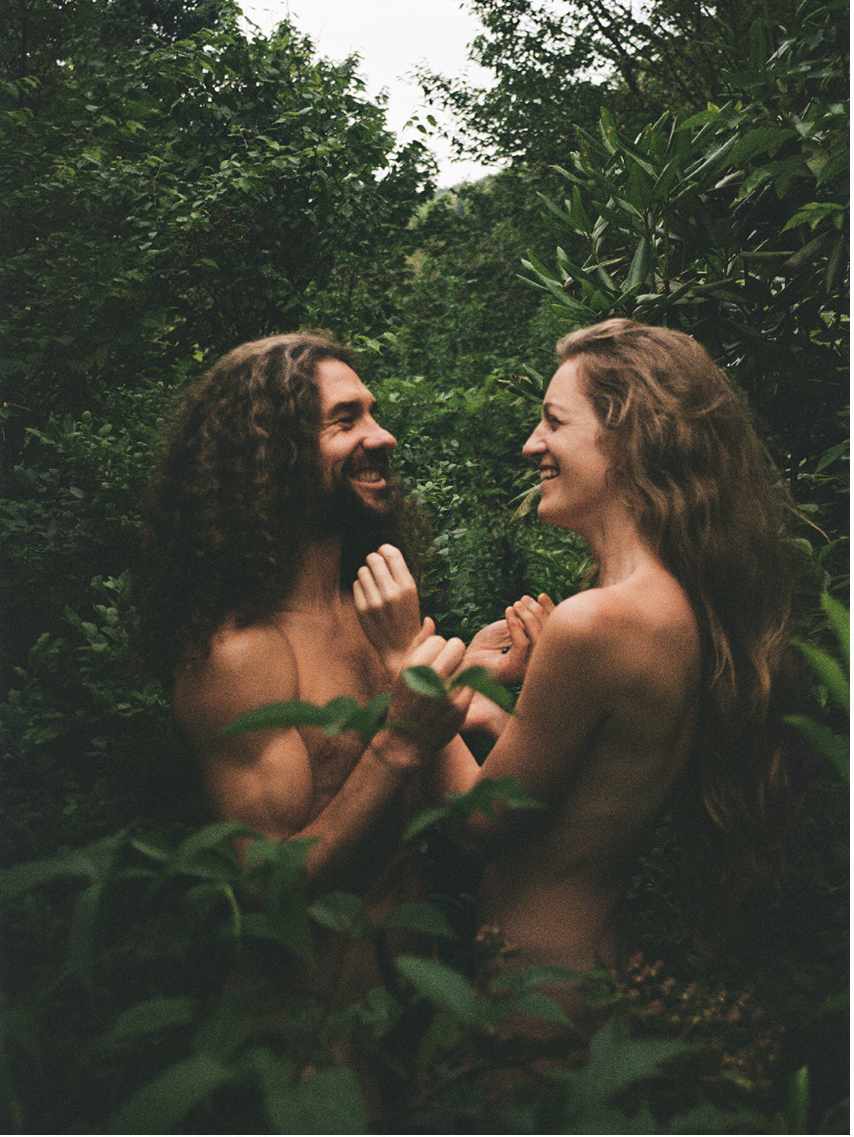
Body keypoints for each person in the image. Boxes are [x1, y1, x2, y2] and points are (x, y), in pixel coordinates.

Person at [356, 318, 805, 981]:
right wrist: (489, 713)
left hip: (539, 975)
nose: (531, 444)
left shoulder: (597, 621)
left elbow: (480, 827)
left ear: (627, 441)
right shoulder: (672, 600)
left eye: (554, 422)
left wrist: (407, 667)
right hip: (593, 951)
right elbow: (585, 788)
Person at [132, 331, 472, 952]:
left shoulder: (372, 608)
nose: (383, 436)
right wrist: (398, 743)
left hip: (421, 987)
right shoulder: (240, 654)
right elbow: (269, 888)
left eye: (373, 413)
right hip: (316, 1004)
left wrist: (476, 678)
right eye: (346, 420)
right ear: (272, 455)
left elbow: (426, 748)